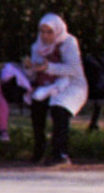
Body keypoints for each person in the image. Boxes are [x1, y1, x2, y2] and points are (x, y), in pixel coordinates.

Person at [25, 13, 88, 167]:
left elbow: (73, 69)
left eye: (49, 32)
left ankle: (60, 153)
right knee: (37, 103)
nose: (45, 36)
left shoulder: (69, 43)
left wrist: (49, 68)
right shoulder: (37, 46)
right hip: (49, 84)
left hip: (73, 84)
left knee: (59, 107)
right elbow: (35, 72)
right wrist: (30, 68)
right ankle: (39, 149)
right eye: (42, 31)